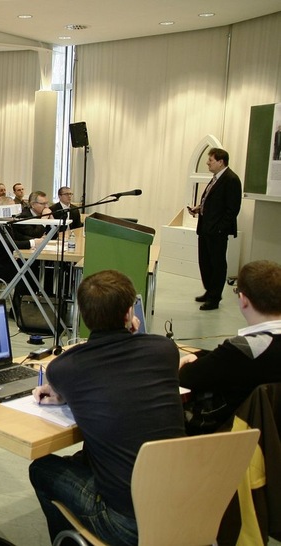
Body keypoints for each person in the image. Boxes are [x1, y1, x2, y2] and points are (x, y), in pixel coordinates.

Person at [29, 269, 185, 546]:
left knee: (41, 468)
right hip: (183, 509)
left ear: (83, 316)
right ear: (129, 313)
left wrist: (64, 395)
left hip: (127, 525)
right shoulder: (164, 351)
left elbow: (70, 383)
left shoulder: (65, 368)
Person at [179, 260, 281, 434]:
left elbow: (187, 377)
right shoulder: (247, 351)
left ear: (243, 300)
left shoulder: (243, 350)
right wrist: (202, 355)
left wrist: (190, 361)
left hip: (232, 440)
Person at [187, 148, 242, 311]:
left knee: (217, 264)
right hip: (205, 228)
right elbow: (212, 203)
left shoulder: (231, 179)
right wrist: (199, 209)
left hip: (217, 232)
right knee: (205, 262)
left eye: (210, 160)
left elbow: (232, 209)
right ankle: (209, 291)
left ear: (220, 161)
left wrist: (220, 228)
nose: (207, 163)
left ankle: (215, 298)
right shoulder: (215, 179)